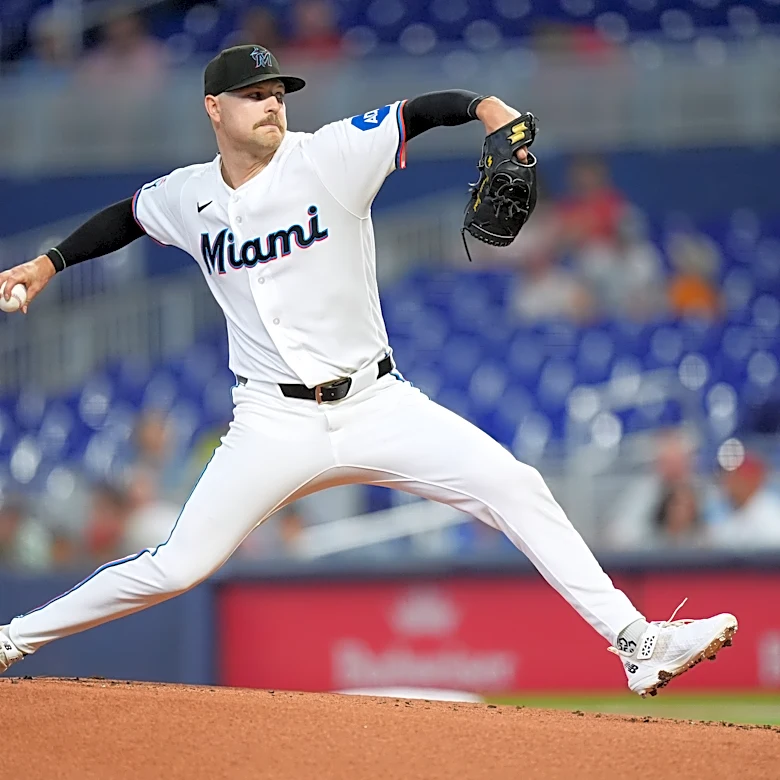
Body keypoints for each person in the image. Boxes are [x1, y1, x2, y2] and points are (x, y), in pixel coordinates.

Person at [0, 45, 736, 696]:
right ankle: (12, 639)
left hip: (378, 403)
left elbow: (424, 110)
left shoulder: (329, 155)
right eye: (255, 96)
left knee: (514, 484)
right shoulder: (188, 196)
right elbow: (128, 215)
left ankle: (635, 641)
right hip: (272, 421)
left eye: (279, 95)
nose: (271, 106)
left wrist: (490, 110)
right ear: (213, 109)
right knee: (175, 567)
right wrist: (48, 263)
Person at [710, 452, 780, 549]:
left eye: (734, 477)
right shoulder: (733, 511)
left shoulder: (769, 514)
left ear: (751, 479)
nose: (727, 483)